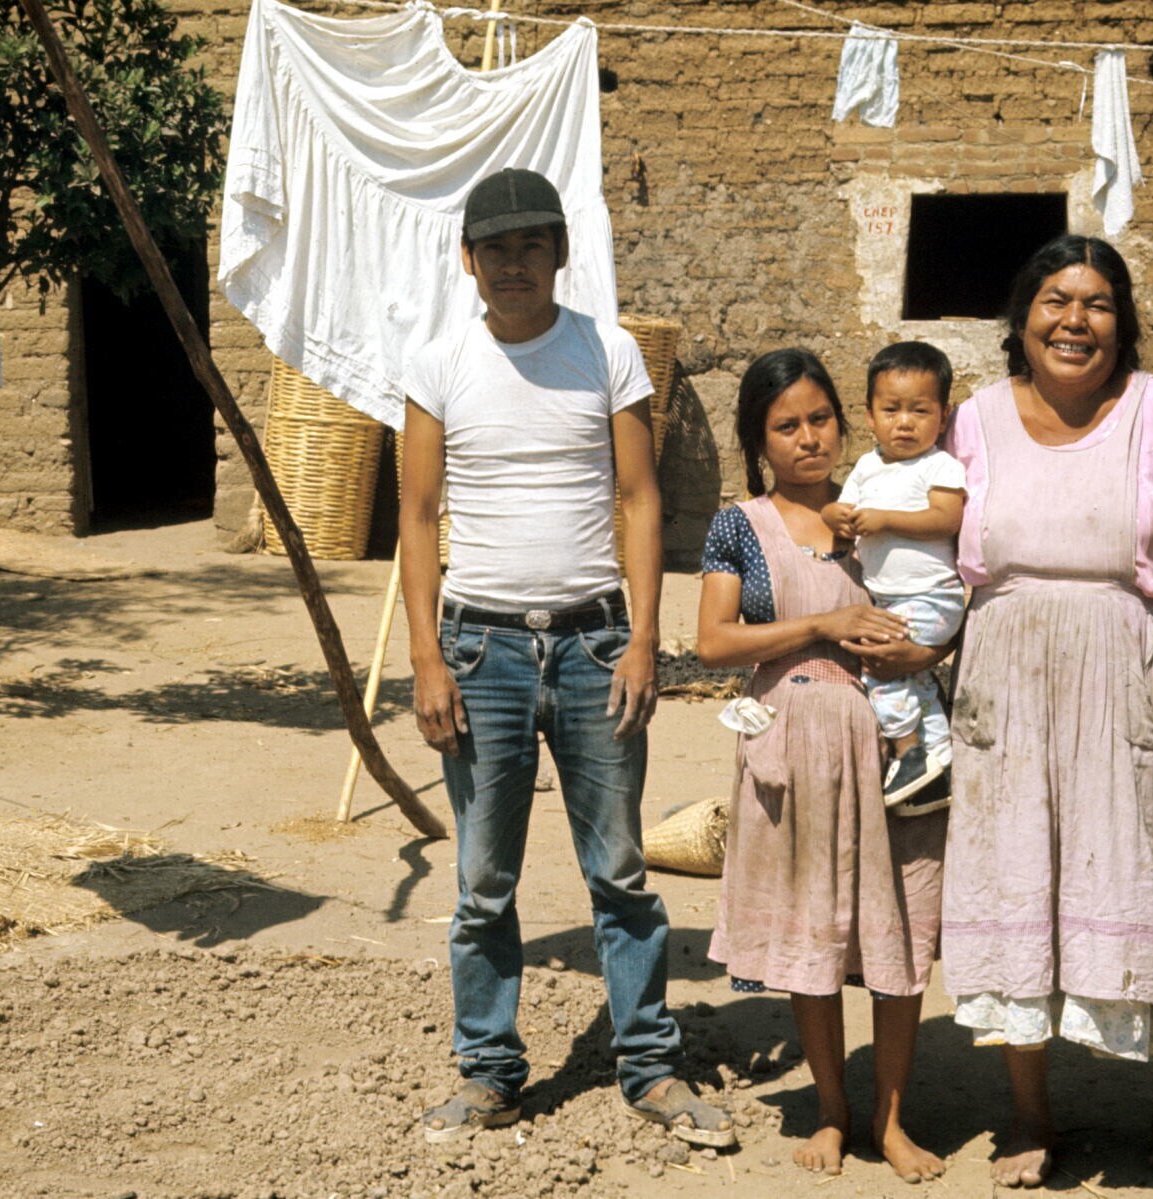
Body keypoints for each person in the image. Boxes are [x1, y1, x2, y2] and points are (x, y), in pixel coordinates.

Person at [939, 235, 1153, 1188]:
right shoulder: (972, 423)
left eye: (1097, 303)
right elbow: (920, 526)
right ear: (1021, 317)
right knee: (1018, 873)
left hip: (1143, 680)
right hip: (1010, 686)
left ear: (1122, 324)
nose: (1074, 321)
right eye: (1055, 300)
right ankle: (1029, 1116)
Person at [399, 168, 733, 1148]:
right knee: (482, 882)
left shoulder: (607, 350)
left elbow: (640, 497)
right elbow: (416, 515)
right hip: (480, 648)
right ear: (468, 259)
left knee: (619, 869)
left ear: (560, 253)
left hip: (595, 644)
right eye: (496, 249)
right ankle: (490, 1072)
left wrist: (643, 639)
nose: (514, 265)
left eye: (531, 246)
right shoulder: (438, 363)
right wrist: (426, 657)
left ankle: (649, 1064)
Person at [697, 348, 949, 1184]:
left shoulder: (883, 506)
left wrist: (926, 651)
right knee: (814, 931)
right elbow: (713, 641)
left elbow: (947, 596)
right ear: (758, 440)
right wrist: (823, 626)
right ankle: (833, 1110)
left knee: (899, 927)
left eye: (820, 419)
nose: (808, 438)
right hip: (794, 744)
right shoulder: (740, 526)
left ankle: (892, 1118)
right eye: (786, 426)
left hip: (895, 746)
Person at [822, 341, 966, 805]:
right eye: (891, 410)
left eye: (919, 411)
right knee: (914, 679)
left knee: (879, 665)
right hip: (891, 599)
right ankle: (939, 757)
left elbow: (946, 518)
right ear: (869, 415)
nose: (904, 422)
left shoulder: (939, 465)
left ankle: (907, 751)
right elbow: (840, 509)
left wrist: (885, 520)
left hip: (931, 597)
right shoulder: (868, 466)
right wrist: (833, 516)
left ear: (943, 417)